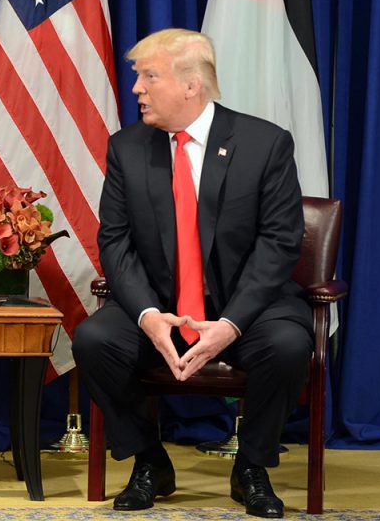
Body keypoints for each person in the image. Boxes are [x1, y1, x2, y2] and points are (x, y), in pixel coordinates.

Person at [72, 29, 313, 519]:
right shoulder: (126, 148)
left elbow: (279, 242)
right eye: (138, 77)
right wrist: (147, 315)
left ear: (191, 85)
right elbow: (115, 241)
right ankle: (148, 460)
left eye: (149, 77)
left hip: (244, 307)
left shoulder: (265, 144)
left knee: (289, 345)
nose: (136, 88)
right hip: (161, 304)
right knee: (94, 340)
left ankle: (251, 466)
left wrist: (231, 323)